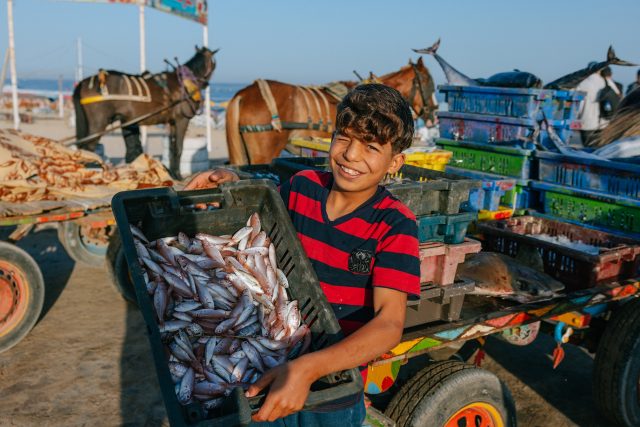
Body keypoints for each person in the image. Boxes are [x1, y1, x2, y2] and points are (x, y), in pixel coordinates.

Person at [185, 84, 420, 426]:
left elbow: (388, 325)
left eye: (370, 147)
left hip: (331, 391)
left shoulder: (395, 224)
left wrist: (309, 367)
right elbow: (260, 212)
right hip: (265, 372)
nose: (351, 155)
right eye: (344, 138)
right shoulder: (302, 186)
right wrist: (232, 179)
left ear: (395, 162)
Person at [576, 66, 621, 146]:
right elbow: (617, 95)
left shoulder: (582, 83)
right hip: (604, 121)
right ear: (599, 71)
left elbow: (577, 101)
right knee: (601, 149)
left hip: (587, 121)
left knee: (588, 149)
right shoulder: (606, 81)